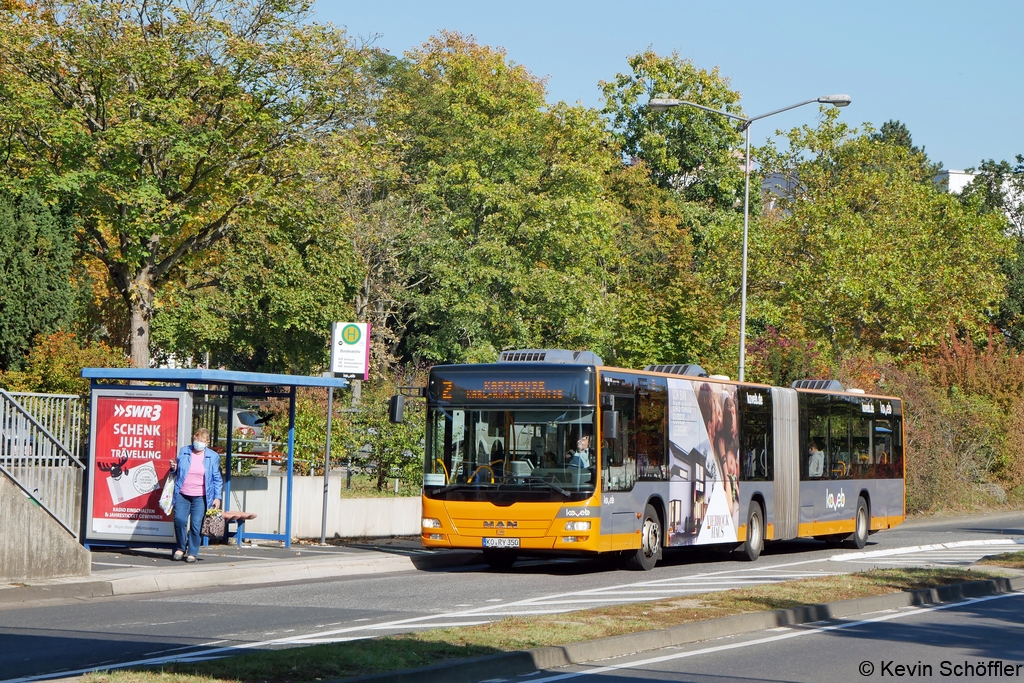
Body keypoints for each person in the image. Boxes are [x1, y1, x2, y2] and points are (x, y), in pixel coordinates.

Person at [169, 428, 223, 562]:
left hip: (201, 496)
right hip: (183, 493)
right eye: (197, 439)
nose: (198, 442)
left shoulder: (213, 456)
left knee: (195, 524)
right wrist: (173, 468)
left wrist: (217, 497)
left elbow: (217, 478)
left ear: (207, 442)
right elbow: (177, 472)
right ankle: (181, 548)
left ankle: (193, 552)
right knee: (180, 520)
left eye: (202, 440)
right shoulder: (184, 451)